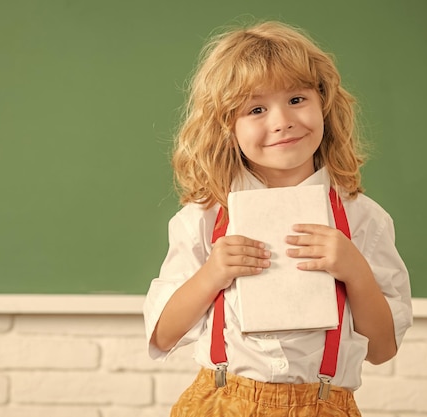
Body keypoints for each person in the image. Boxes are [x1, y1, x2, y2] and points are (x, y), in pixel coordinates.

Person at [143, 20, 412, 417]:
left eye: (297, 99)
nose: (281, 120)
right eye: (256, 109)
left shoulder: (362, 218)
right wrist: (212, 274)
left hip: (323, 406)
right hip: (220, 403)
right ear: (226, 127)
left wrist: (355, 270)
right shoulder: (205, 217)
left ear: (324, 103)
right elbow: (163, 336)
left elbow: (383, 350)